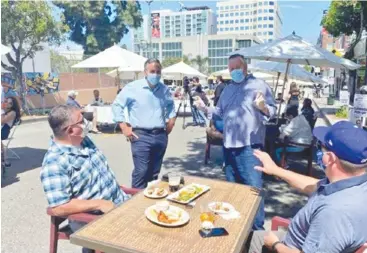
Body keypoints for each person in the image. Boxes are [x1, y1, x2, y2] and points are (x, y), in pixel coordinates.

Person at [247, 121, 367, 253]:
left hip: (287, 246)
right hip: (297, 239)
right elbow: (313, 186)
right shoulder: (354, 183)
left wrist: (275, 244)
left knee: (239, 240)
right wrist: (276, 170)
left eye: (321, 147)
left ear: (330, 158)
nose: (319, 150)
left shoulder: (334, 213)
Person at [195, 54, 277, 230]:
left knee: (253, 190)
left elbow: (272, 112)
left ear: (244, 67)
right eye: (230, 69)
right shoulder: (228, 89)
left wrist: (263, 107)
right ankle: (238, 227)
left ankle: (256, 231)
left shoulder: (259, 85)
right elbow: (219, 112)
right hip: (229, 145)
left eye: (236, 68)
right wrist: (204, 108)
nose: (233, 72)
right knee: (234, 190)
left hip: (249, 147)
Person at [40, 105, 130, 253]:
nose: (87, 122)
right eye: (82, 121)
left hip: (121, 202)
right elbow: (59, 207)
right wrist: (99, 204)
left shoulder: (83, 141)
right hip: (94, 218)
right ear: (70, 130)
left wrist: (115, 188)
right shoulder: (55, 162)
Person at [112, 58, 176, 189]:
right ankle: (134, 201)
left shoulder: (164, 89)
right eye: (152, 71)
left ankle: (149, 200)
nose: (156, 74)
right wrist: (123, 126)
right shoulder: (133, 88)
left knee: (154, 172)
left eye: (158, 71)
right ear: (145, 72)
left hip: (160, 135)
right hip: (141, 135)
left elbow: (170, 106)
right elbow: (117, 105)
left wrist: (171, 121)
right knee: (141, 171)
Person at [1, 96, 21, 168]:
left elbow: (2, 121)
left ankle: (4, 159)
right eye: (6, 101)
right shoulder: (5, 110)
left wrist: (2, 110)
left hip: (4, 132)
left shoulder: (12, 112)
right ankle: (4, 159)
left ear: (13, 105)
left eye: (10, 103)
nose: (7, 104)